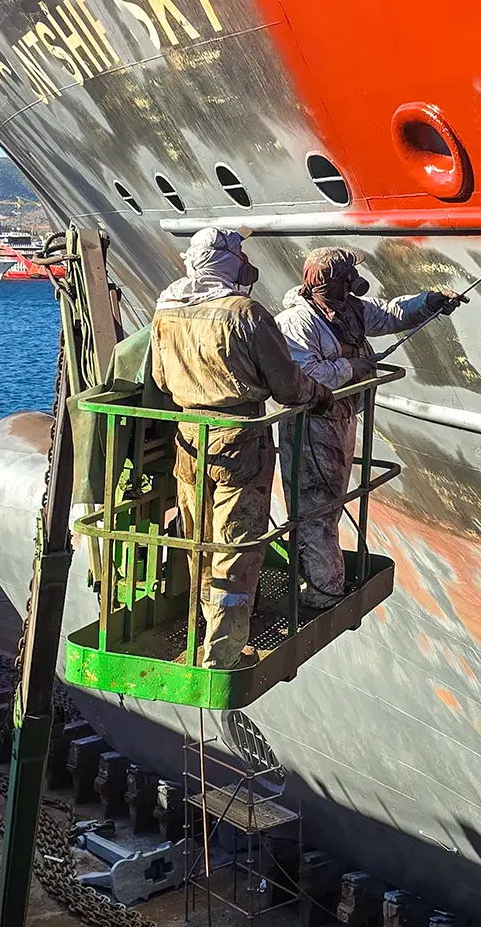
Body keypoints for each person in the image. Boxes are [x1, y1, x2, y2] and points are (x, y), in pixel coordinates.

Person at [151, 228, 331, 669]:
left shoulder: (167, 308)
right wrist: (321, 393)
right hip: (240, 440)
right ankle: (223, 651)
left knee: (197, 535)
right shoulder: (246, 313)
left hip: (189, 437)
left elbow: (159, 378)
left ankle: (202, 624)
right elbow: (287, 387)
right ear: (230, 260)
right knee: (236, 543)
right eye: (242, 253)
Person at [275, 248, 467, 609]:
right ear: (333, 281)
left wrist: (431, 302)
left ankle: (324, 583)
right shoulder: (296, 323)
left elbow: (391, 313)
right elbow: (307, 376)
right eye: (348, 274)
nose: (354, 280)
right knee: (315, 509)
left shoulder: (352, 312)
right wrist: (354, 366)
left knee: (330, 506)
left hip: (341, 419)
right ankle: (324, 591)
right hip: (311, 426)